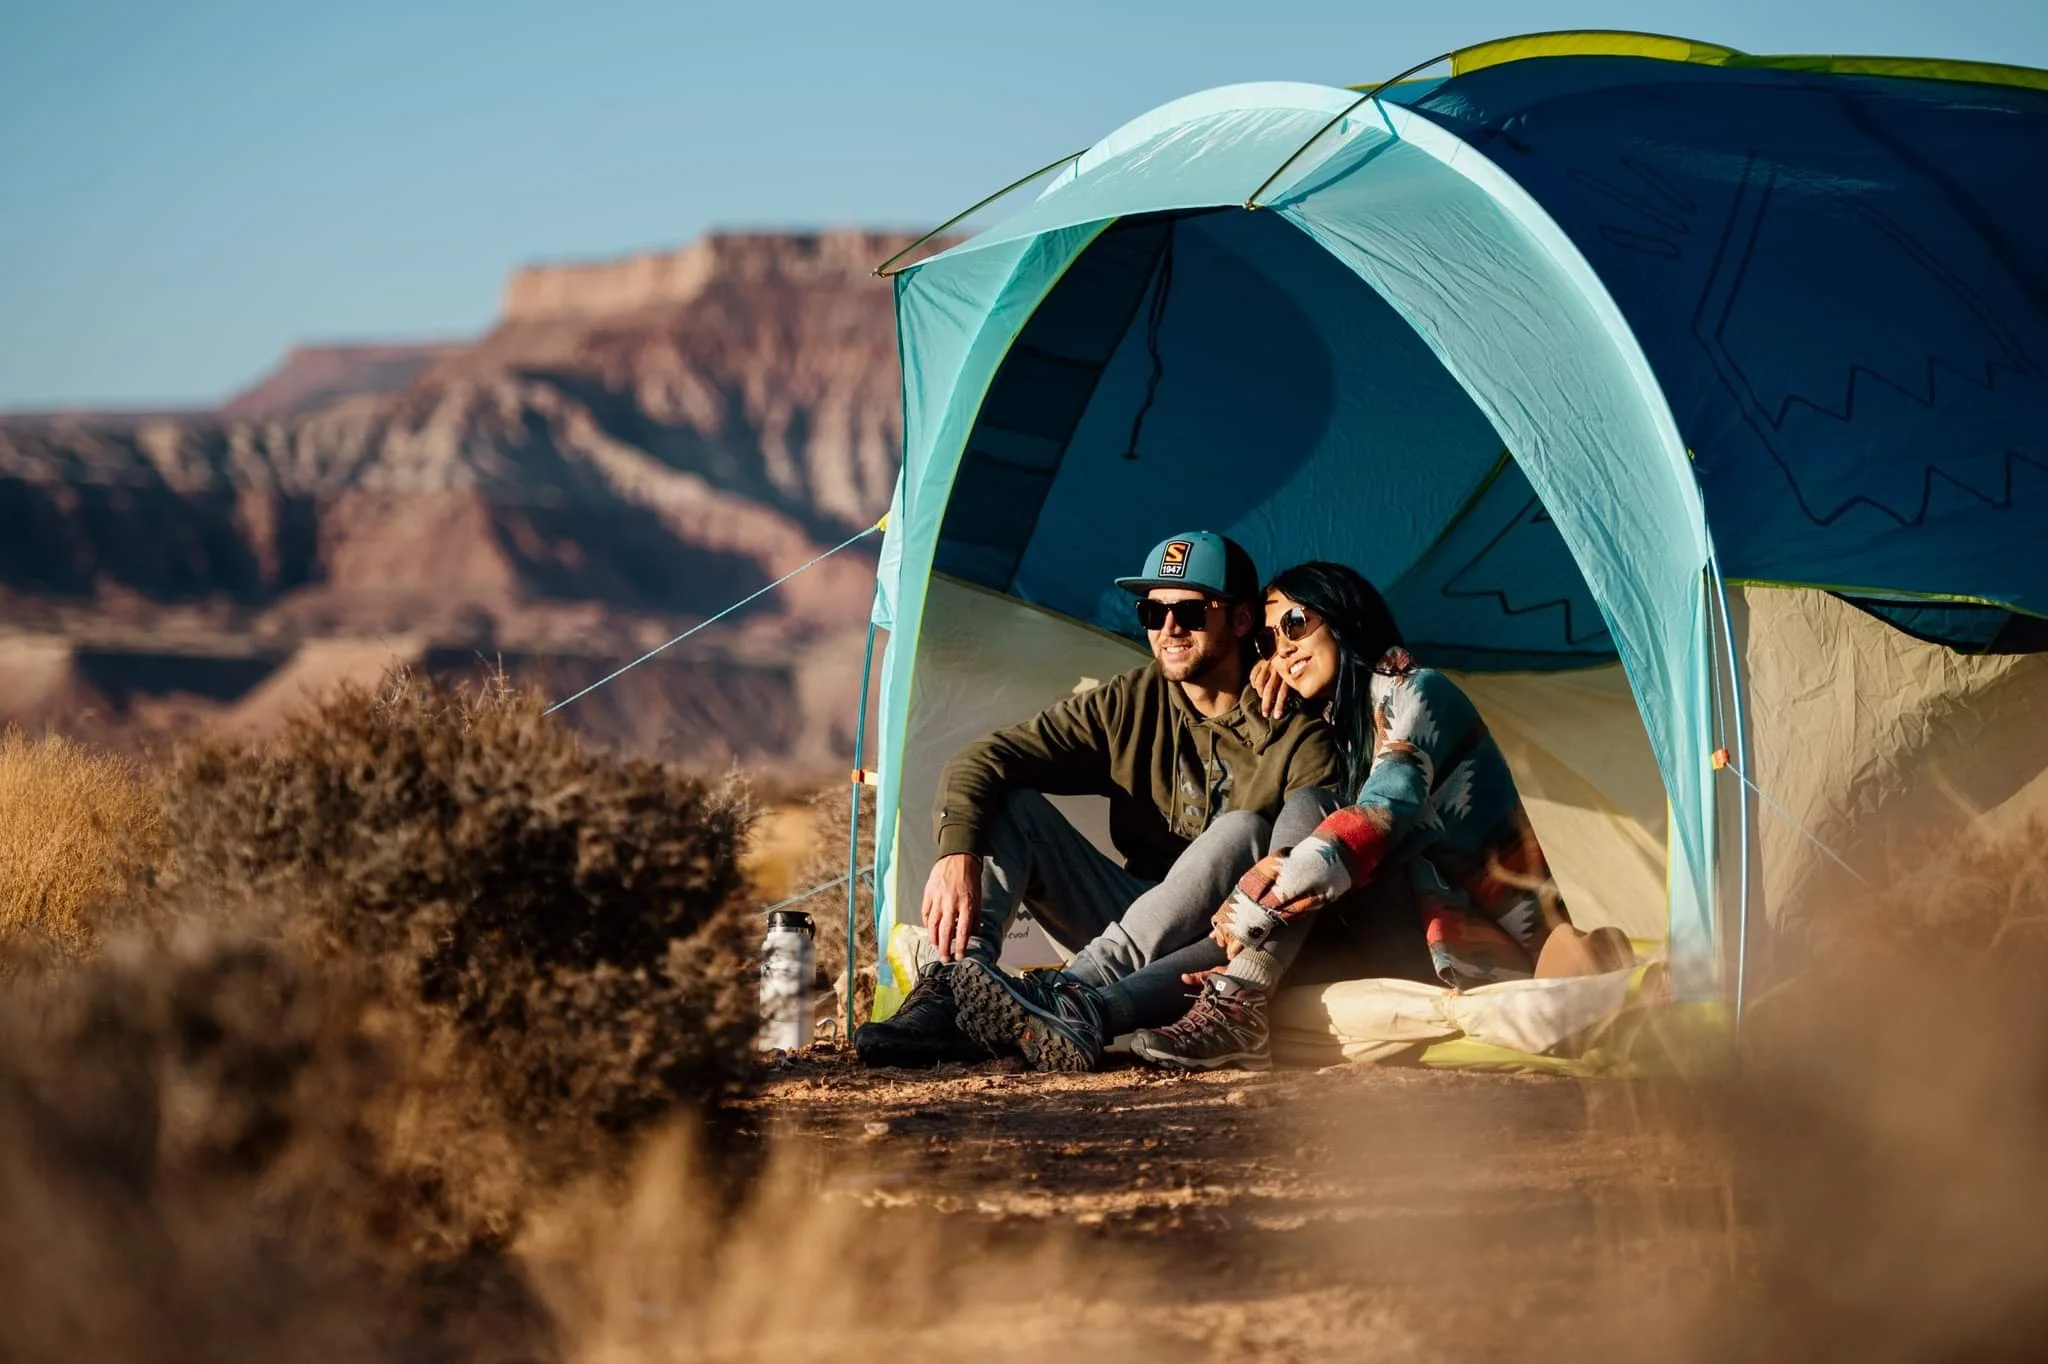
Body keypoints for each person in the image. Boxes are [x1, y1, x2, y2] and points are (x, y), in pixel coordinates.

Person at [953, 561, 1586, 1073]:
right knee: (1270, 889)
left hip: (1456, 939)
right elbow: (991, 756)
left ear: (1342, 619)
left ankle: (1176, 997)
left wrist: (1263, 894)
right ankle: (1090, 1004)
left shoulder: (1415, 690)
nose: (1282, 651)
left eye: (1296, 626)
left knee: (1306, 811)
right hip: (1361, 924)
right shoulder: (1337, 720)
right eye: (1271, 638)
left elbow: (1382, 810)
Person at [853, 532, 1346, 1069]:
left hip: (1221, 941)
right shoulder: (1130, 701)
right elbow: (984, 758)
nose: (1169, 629)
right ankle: (955, 992)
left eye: (1191, 613)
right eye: (1152, 612)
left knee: (1241, 830)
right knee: (1011, 805)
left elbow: (1304, 871)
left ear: (1243, 620)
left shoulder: (1295, 725)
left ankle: (1065, 997)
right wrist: (956, 854)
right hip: (1124, 914)